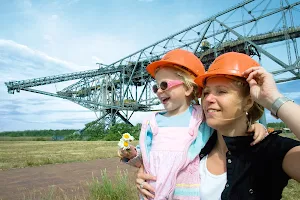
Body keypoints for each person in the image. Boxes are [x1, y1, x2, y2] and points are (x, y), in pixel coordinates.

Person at [135, 52, 300, 200]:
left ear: (249, 101)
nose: (208, 99)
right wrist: (148, 174)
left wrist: (273, 99)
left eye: (221, 91)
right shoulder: (196, 145)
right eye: (206, 92)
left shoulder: (269, 151)